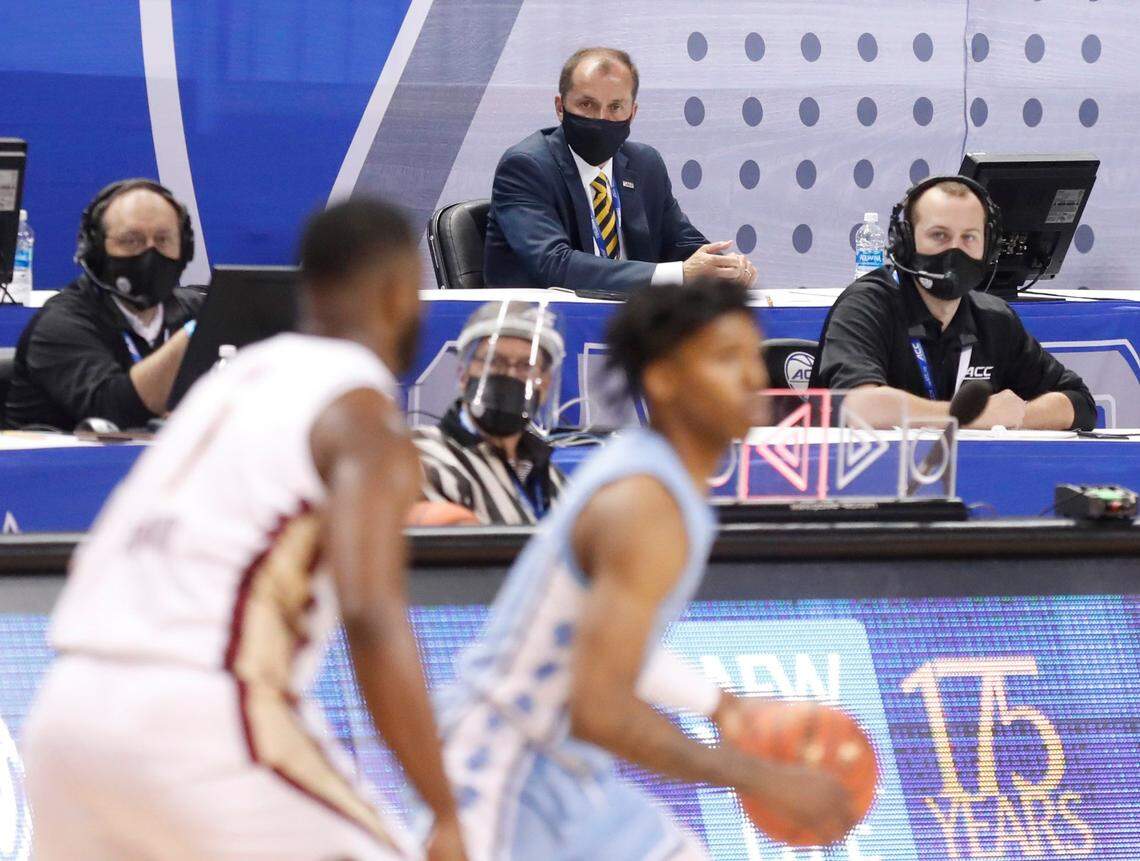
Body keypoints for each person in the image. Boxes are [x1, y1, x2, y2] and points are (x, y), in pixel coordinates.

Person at [21, 199, 467, 861]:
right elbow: (372, 613)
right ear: (403, 291)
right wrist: (443, 805)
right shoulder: (360, 408)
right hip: (199, 714)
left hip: (64, 716)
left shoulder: (225, 385)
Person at [416, 279, 854, 859]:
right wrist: (757, 775)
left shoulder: (654, 476)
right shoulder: (643, 505)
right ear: (664, 380)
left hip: (564, 773)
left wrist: (720, 705)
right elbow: (601, 709)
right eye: (726, 359)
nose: (753, 378)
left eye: (751, 355)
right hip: (501, 766)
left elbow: (609, 640)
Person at [809, 175, 1096, 431]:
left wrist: (1018, 416)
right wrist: (970, 417)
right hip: (864, 481)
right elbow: (861, 407)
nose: (954, 251)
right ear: (904, 242)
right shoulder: (866, 305)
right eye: (939, 235)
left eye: (969, 237)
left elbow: (1079, 403)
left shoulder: (993, 319)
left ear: (989, 247)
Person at [482, 46, 757, 295]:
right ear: (560, 107)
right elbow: (555, 264)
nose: (601, 119)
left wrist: (720, 267)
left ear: (633, 113)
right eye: (587, 105)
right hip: (545, 332)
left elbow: (681, 243)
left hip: (634, 330)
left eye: (615, 107)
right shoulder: (526, 166)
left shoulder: (644, 163)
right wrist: (679, 274)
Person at [3, 178, 205, 430]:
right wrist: (200, 333)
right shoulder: (60, 324)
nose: (150, 254)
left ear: (185, 250)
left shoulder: (195, 309)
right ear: (96, 250)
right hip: (67, 467)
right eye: (132, 240)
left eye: (163, 240)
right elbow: (114, 412)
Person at [413, 301, 568, 525]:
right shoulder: (422, 458)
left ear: (545, 383)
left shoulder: (553, 479)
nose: (510, 375)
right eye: (494, 362)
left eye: (526, 366)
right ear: (463, 374)